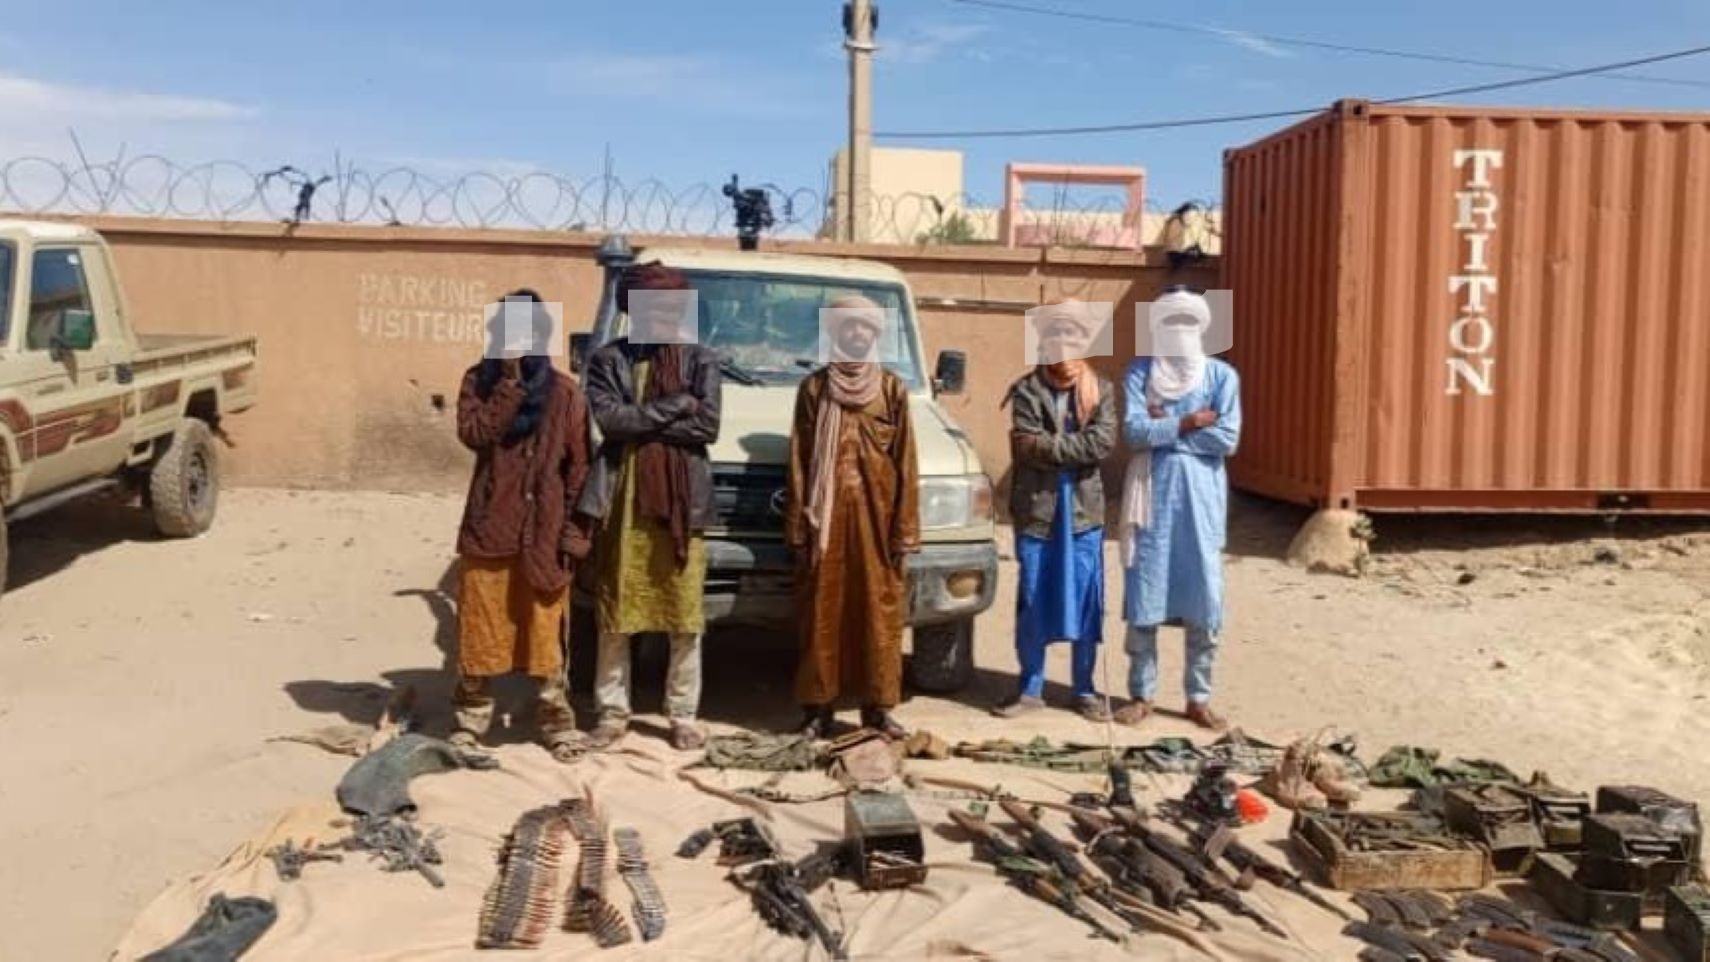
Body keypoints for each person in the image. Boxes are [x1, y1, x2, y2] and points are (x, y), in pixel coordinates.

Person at [578, 262, 722, 751]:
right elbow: (611, 422)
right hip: (622, 498)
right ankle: (612, 712)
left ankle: (682, 715)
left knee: (684, 614)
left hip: (682, 504)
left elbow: (707, 428)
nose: (661, 315)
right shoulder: (608, 359)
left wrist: (644, 419)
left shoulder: (702, 360)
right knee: (616, 609)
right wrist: (677, 405)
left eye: (669, 307)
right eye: (651, 306)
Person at [451, 289, 594, 763]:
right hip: (491, 524)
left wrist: (575, 533)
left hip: (545, 529)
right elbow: (476, 434)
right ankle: (471, 721)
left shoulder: (565, 393)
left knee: (546, 630)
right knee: (480, 626)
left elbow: (579, 469)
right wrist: (508, 385)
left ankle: (555, 721)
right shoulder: (478, 381)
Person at [785, 295, 920, 739]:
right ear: (836, 332)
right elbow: (799, 460)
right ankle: (817, 709)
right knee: (821, 614)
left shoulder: (892, 389)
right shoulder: (814, 389)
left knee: (879, 614)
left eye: (865, 327)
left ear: (875, 333)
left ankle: (878, 709)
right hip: (823, 523)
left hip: (877, 522)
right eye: (849, 326)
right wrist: (798, 527)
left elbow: (906, 463)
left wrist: (904, 531)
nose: (858, 333)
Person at [1115, 286, 1242, 731]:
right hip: (1151, 497)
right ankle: (1141, 694)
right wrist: (1187, 421)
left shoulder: (1221, 377)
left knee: (1204, 600)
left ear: (1201, 327)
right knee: (1145, 596)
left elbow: (1226, 439)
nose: (1179, 330)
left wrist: (1164, 427)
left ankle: (1198, 698)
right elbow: (1133, 433)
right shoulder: (1140, 372)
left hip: (1200, 502)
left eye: (1188, 322)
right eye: (1171, 322)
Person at [993, 299, 1117, 721]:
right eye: (1056, 333)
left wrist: (1049, 448)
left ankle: (1084, 689)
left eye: (1072, 333)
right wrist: (1069, 450)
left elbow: (1102, 444)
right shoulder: (1027, 390)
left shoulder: (1102, 390)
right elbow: (1024, 447)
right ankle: (1030, 687)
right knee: (1034, 596)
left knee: (1085, 598)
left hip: (1083, 511)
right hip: (1038, 509)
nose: (1064, 341)